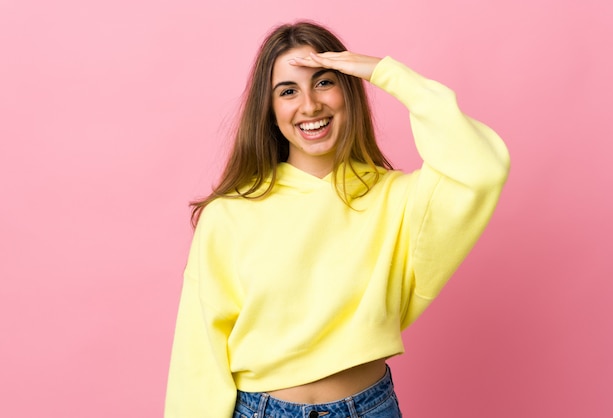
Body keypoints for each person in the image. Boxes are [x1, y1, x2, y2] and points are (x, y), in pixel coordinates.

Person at [164, 21, 510, 418]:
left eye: (324, 82)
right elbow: (199, 352)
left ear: (349, 89)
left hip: (370, 407)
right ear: (270, 108)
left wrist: (386, 73)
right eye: (288, 91)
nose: (310, 105)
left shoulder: (395, 197)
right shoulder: (230, 213)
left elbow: (483, 167)